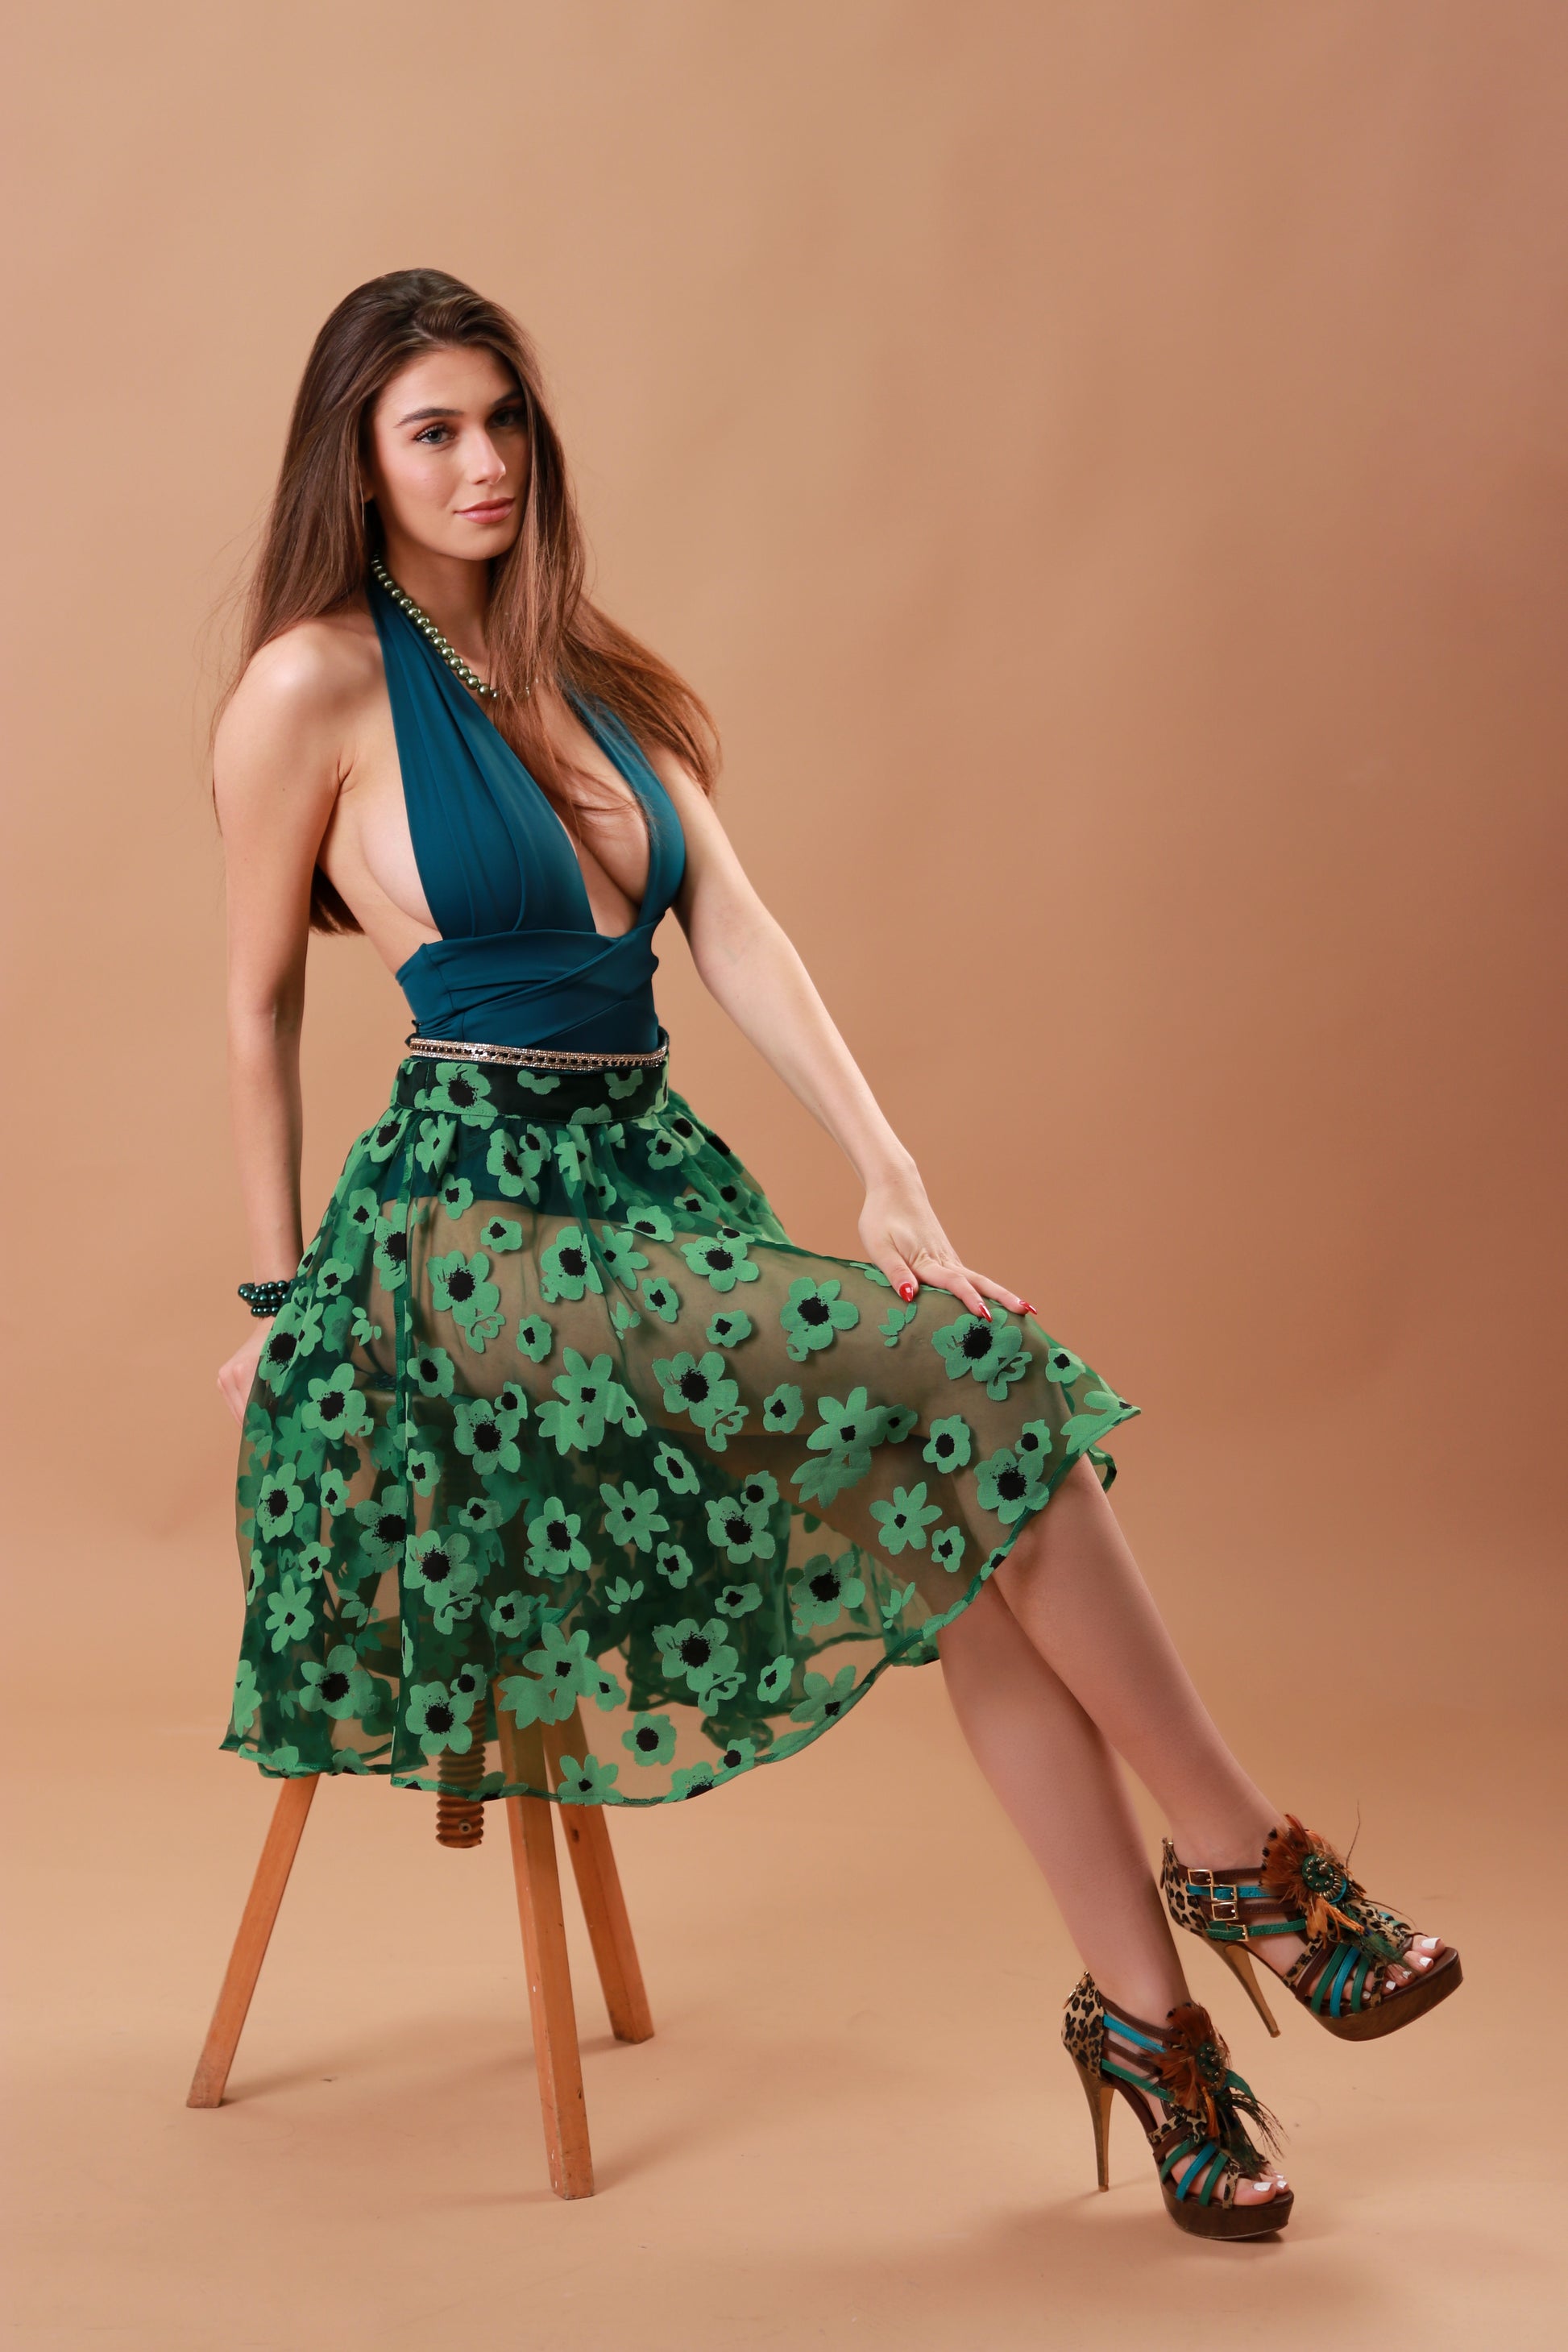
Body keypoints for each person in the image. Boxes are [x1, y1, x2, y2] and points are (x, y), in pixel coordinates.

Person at [214, 269, 1457, 2238]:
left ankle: (1150, 2030)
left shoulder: (592, 675)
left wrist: (889, 1178)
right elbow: (258, 1000)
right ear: (356, 464)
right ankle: (1245, 1862)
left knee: (960, 1505)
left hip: (654, 1192)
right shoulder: (312, 685)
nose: (480, 463)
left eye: (502, 420)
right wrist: (283, 1302)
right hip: (475, 1238)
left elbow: (744, 939)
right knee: (992, 1401)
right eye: (430, 430)